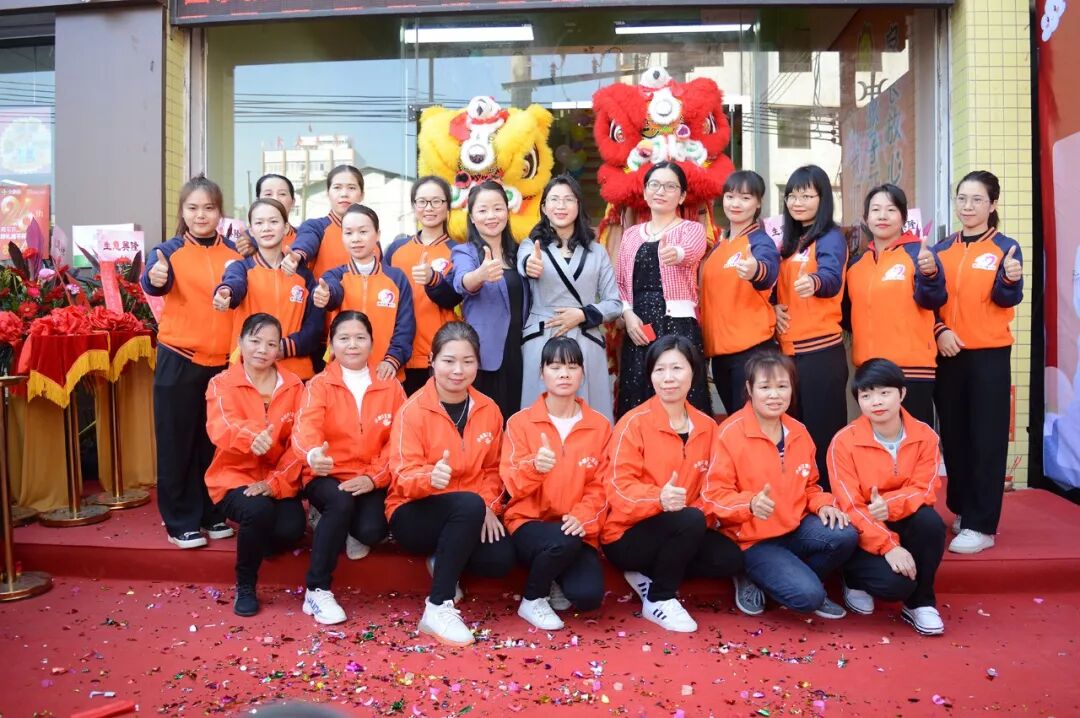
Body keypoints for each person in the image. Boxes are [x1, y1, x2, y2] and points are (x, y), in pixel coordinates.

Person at [602, 335, 744, 633]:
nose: (668, 378)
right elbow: (617, 488)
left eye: (677, 368)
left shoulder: (707, 427)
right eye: (660, 369)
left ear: (693, 372)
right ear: (650, 375)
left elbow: (715, 486)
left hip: (684, 526)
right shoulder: (633, 423)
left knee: (728, 558)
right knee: (689, 520)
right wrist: (659, 499)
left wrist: (706, 512)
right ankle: (659, 599)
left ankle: (648, 576)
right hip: (627, 533)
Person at [386, 322, 514, 646]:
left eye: (467, 361)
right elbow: (401, 476)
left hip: (469, 511)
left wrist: (489, 506)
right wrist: (430, 478)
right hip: (415, 511)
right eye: (448, 360)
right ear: (432, 360)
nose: (458, 370)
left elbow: (494, 469)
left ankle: (441, 560)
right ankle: (438, 607)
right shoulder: (412, 411)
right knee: (468, 504)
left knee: (500, 559)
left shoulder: (488, 409)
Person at [703, 351, 857, 619]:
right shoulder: (730, 433)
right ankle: (750, 574)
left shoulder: (798, 432)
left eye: (782, 386)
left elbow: (811, 485)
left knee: (845, 535)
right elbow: (713, 495)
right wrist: (749, 503)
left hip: (793, 528)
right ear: (750, 389)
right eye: (765, 387)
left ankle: (790, 578)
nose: (774, 395)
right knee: (809, 597)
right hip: (752, 540)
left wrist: (823, 505)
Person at [141, 174, 240, 549]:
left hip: (221, 365)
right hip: (179, 359)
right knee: (177, 443)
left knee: (212, 444)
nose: (201, 215)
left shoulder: (235, 254)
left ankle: (212, 513)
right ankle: (180, 520)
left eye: (209, 208)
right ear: (182, 212)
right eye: (193, 208)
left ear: (219, 212)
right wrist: (154, 277)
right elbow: (154, 282)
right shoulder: (167, 252)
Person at [291, 311, 407, 625]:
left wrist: (374, 477)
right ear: (331, 344)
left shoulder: (390, 386)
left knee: (372, 530)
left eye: (359, 338)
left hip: (369, 476)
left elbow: (400, 441)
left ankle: (337, 522)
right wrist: (313, 454)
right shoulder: (319, 385)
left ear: (371, 342)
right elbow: (304, 429)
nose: (352, 345)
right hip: (326, 473)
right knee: (339, 501)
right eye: (343, 338)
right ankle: (317, 590)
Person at [932, 170, 1023, 554]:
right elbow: (927, 300)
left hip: (989, 355)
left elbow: (1006, 298)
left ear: (992, 204)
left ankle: (982, 525)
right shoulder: (940, 249)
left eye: (977, 200)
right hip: (947, 353)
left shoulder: (1006, 248)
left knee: (986, 438)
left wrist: (1011, 280)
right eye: (962, 199)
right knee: (954, 436)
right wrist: (939, 330)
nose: (967, 207)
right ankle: (963, 509)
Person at [829, 358, 947, 636]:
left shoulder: (925, 436)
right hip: (862, 526)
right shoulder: (843, 441)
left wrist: (889, 506)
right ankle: (853, 578)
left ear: (902, 393)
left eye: (885, 392)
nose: (876, 402)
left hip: (902, 515)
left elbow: (926, 488)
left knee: (930, 523)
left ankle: (921, 603)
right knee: (894, 586)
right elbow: (849, 504)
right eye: (866, 395)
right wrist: (888, 545)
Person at [501, 337, 610, 630]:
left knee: (588, 596)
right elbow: (511, 483)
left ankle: (554, 575)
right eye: (556, 366)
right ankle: (533, 598)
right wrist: (535, 467)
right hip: (529, 523)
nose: (564, 374)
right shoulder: (520, 423)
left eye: (572, 367)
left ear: (583, 373)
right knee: (562, 540)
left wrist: (583, 516)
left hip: (575, 526)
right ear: (542, 373)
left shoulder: (599, 426)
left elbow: (601, 485)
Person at [205, 314, 306, 617]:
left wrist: (275, 483)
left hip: (278, 479)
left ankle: (259, 536)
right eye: (255, 341)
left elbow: (300, 441)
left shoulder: (294, 385)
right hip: (233, 477)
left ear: (279, 349)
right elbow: (221, 425)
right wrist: (251, 437)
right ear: (240, 342)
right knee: (258, 510)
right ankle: (246, 584)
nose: (262, 349)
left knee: (292, 529)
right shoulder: (221, 383)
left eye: (271, 344)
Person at [519, 175, 621, 422]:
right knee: (538, 415)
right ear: (544, 207)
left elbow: (614, 303)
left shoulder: (597, 251)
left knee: (590, 416)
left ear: (578, 205)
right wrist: (530, 265)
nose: (561, 206)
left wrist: (583, 314)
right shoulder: (531, 246)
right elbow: (526, 263)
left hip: (585, 337)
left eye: (568, 199)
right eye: (554, 199)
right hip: (543, 335)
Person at [615, 162, 712, 419]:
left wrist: (676, 253)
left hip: (677, 324)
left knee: (681, 393)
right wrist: (628, 315)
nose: (661, 191)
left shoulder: (691, 229)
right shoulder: (631, 235)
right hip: (639, 327)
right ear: (645, 192)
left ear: (681, 196)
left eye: (670, 186)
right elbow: (620, 283)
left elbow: (691, 251)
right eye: (655, 185)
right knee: (637, 393)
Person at [773, 165, 849, 490]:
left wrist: (815, 282)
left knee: (823, 435)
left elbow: (831, 276)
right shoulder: (789, 243)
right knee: (794, 436)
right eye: (792, 195)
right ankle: (800, 501)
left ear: (823, 199)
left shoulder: (830, 237)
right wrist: (773, 308)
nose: (797, 202)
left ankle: (830, 500)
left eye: (806, 195)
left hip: (820, 353)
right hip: (789, 354)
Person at [845, 184, 945, 426]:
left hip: (911, 370)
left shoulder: (919, 254)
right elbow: (847, 315)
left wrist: (930, 274)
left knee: (914, 441)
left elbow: (934, 300)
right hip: (869, 371)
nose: (882, 216)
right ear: (865, 218)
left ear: (903, 217)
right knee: (874, 443)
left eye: (891, 210)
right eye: (875, 210)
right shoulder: (856, 265)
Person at [699, 170, 781, 414]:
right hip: (720, 355)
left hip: (751, 352)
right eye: (730, 196)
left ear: (758, 203)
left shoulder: (759, 241)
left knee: (752, 424)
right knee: (736, 424)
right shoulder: (719, 246)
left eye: (745, 198)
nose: (736, 204)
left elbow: (768, 269)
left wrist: (756, 270)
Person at [214, 199, 324, 380]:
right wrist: (226, 293)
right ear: (251, 230)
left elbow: (314, 327)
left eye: (273, 221)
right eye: (259, 223)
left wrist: (285, 347)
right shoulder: (241, 268)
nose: (266, 228)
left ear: (286, 227)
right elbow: (234, 283)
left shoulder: (304, 276)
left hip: (295, 376)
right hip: (248, 375)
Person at [451, 181, 529, 419]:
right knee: (486, 423)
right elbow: (462, 281)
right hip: (486, 355)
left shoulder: (520, 252)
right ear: (472, 217)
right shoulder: (465, 252)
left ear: (507, 211)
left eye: (497, 208)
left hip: (521, 352)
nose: (491, 216)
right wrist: (480, 275)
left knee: (517, 421)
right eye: (483, 210)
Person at [314, 204, 415, 381]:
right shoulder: (334, 276)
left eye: (363, 231)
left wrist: (392, 360)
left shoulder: (397, 278)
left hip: (386, 374)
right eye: (348, 233)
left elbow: (405, 326)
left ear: (377, 234)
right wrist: (326, 295)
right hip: (342, 376)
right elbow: (333, 293)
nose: (356, 239)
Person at [384, 176, 462, 396]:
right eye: (422, 201)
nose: (429, 208)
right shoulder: (396, 249)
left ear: (448, 206)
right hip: (398, 356)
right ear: (413, 206)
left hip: (439, 355)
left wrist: (433, 279)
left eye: (436, 201)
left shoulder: (459, 251)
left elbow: (455, 297)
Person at [286, 164, 365, 278]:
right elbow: (306, 242)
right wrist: (297, 255)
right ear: (328, 193)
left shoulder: (370, 234)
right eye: (337, 187)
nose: (344, 194)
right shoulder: (316, 227)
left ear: (362, 195)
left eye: (351, 188)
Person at [236, 174, 298, 256]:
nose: (275, 199)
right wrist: (251, 255)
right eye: (268, 194)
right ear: (258, 201)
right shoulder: (247, 240)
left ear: (293, 202)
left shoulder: (304, 238)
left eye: (282, 194)